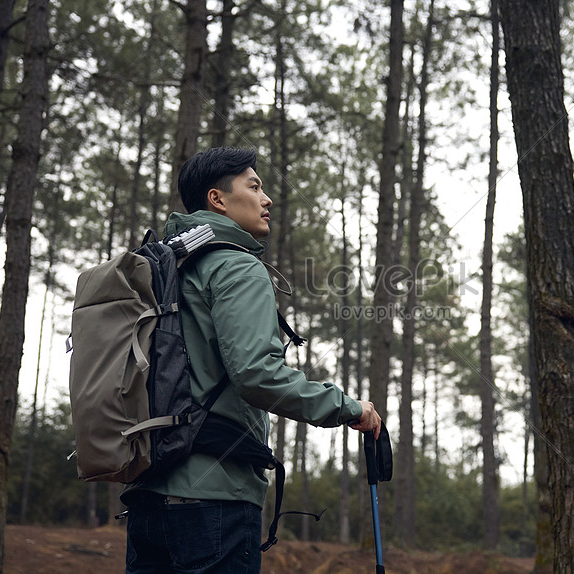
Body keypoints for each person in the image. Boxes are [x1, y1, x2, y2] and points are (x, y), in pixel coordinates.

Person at [122, 147, 382, 573]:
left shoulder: (164, 268)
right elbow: (258, 374)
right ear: (217, 199)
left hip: (149, 495)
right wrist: (350, 407)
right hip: (215, 501)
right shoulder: (235, 266)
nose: (268, 200)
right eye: (255, 186)